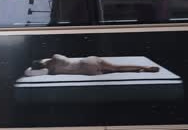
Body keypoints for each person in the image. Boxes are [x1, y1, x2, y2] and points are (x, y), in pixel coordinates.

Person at [24, 54, 160, 76]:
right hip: (86, 62)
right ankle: (145, 68)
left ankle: (139, 71)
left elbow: (28, 72)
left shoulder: (51, 71)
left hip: (86, 71)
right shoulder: (55, 58)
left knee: (114, 71)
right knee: (117, 68)